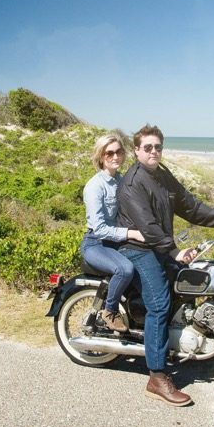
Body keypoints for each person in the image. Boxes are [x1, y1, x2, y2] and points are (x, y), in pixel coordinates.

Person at [117, 124, 214, 407]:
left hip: (159, 244)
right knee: (159, 302)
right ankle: (157, 377)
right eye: (147, 147)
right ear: (136, 150)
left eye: (157, 147)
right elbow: (147, 226)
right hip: (137, 248)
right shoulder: (133, 182)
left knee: (188, 283)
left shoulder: (161, 175)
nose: (153, 151)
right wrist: (173, 251)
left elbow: (189, 205)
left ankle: (176, 340)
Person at [80, 134, 145, 332]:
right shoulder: (94, 187)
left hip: (113, 242)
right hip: (96, 243)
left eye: (119, 152)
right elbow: (99, 228)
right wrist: (131, 234)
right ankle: (109, 312)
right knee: (124, 269)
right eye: (109, 153)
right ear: (101, 157)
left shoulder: (121, 180)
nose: (115, 156)